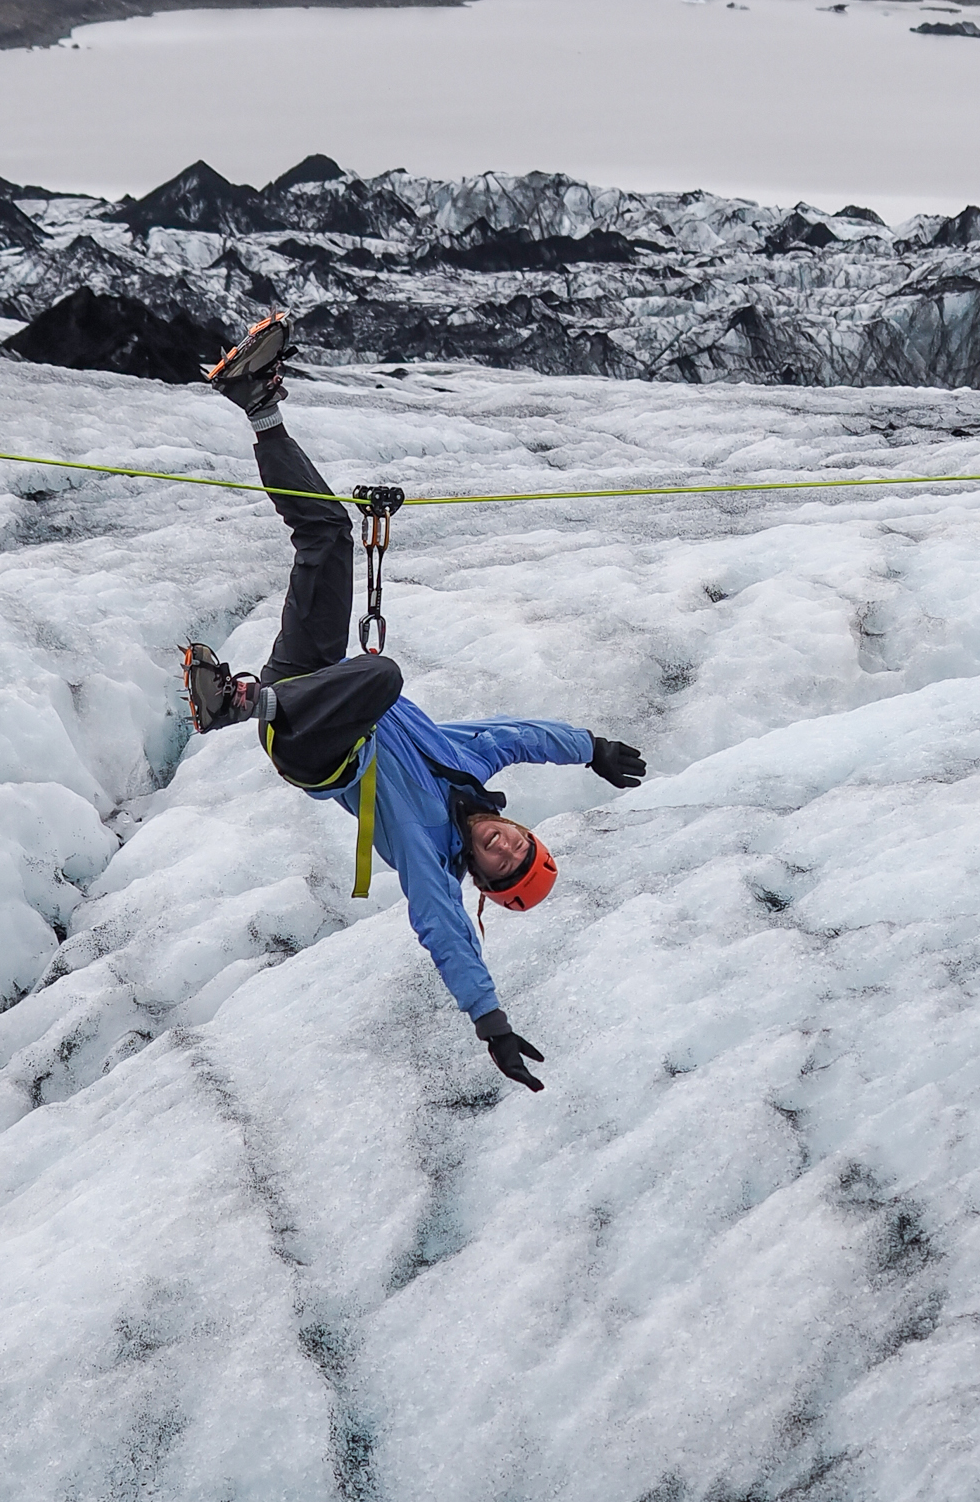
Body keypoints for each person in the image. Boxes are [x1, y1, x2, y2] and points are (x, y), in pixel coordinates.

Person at [178, 315, 645, 1092]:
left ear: (481, 878)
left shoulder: (429, 856)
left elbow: (444, 932)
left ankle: (238, 706)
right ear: (522, 829)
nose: (503, 848)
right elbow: (526, 735)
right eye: (519, 846)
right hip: (312, 680)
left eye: (501, 867)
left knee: (383, 677)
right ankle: (257, 405)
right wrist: (592, 749)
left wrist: (490, 1021)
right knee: (326, 533)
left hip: (311, 746)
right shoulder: (471, 763)